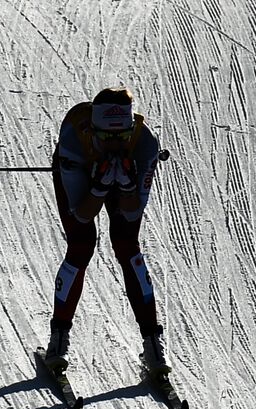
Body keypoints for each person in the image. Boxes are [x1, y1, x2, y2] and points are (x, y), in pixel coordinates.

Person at [44, 86, 169, 374]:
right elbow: (83, 214)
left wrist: (125, 185)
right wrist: (100, 187)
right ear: (92, 130)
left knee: (127, 244)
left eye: (122, 137)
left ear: (131, 129)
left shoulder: (144, 144)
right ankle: (58, 339)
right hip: (82, 170)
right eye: (106, 138)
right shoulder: (75, 141)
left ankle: (153, 344)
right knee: (82, 244)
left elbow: (132, 211)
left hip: (111, 175)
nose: (115, 146)